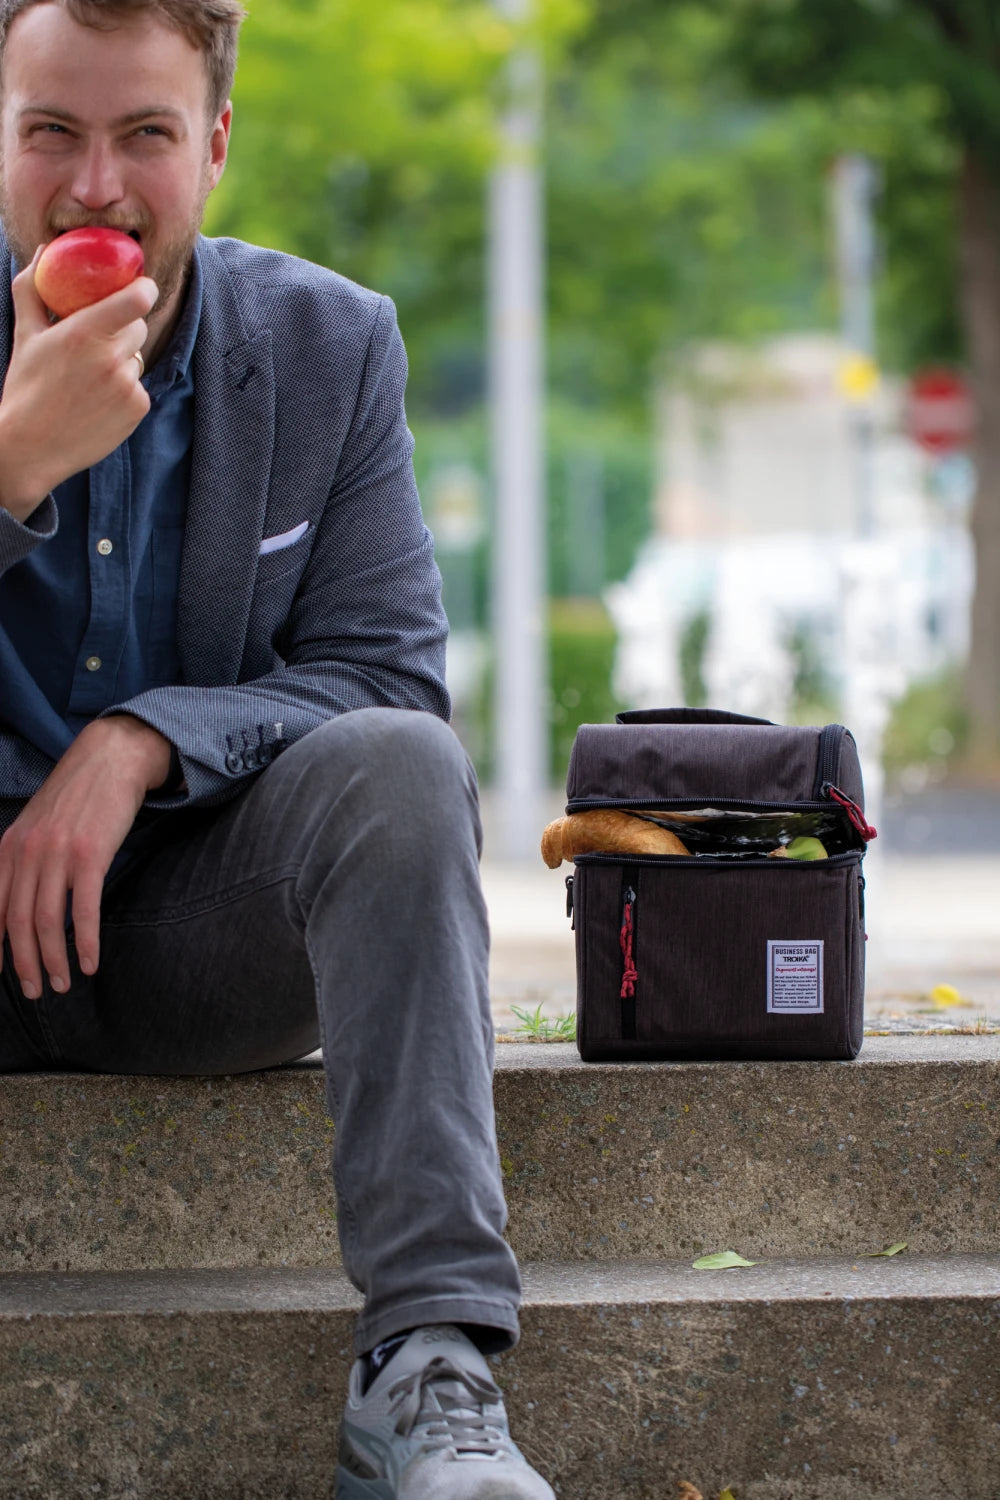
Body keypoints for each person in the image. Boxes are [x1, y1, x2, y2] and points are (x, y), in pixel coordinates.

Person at [0, 1, 555, 1495]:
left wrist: (143, 740)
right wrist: (10, 468)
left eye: (145, 134)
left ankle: (428, 1366)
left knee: (401, 771)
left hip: (198, 926)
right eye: (51, 131)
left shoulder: (329, 346)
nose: (95, 187)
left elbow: (387, 679)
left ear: (216, 144)